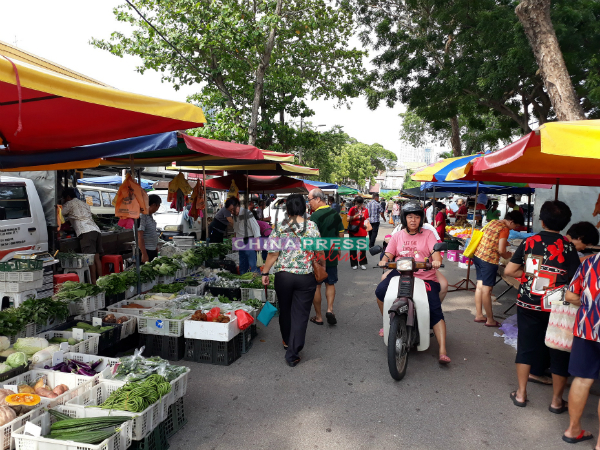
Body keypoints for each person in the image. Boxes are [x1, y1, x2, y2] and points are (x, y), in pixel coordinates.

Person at [504, 201, 581, 411]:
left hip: (528, 302)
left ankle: (520, 394)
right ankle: (556, 401)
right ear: (565, 224)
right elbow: (576, 280)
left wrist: (531, 276)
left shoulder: (530, 242)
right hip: (557, 306)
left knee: (526, 347)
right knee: (558, 351)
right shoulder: (568, 246)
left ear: (542, 220)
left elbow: (509, 271)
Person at [376, 201, 450, 364]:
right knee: (380, 291)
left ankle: (442, 350)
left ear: (421, 219)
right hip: (400, 273)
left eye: (417, 217)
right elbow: (388, 254)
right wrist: (384, 260)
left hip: (425, 276)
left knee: (435, 308)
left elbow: (436, 252)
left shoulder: (429, 235)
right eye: (410, 216)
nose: (413, 220)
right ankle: (388, 323)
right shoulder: (398, 235)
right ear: (404, 218)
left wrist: (436, 260)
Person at [262, 194, 325, 367]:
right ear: (304, 208)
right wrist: (322, 267)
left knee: (285, 310)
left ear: (287, 209)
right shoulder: (312, 226)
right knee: (301, 315)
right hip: (306, 277)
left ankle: (286, 341)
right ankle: (293, 353)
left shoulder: (280, 227)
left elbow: (273, 253)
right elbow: (319, 252)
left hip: (284, 277)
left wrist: (265, 273)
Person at [562, 253, 600, 445]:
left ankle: (573, 429)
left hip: (587, 328)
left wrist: (590, 305)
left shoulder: (591, 261)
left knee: (582, 379)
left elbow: (570, 295)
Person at [473, 210, 524, 327]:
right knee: (487, 290)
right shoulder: (504, 229)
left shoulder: (493, 222)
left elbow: (491, 238)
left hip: (478, 256)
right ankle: (490, 320)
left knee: (480, 287)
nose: (513, 229)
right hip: (488, 260)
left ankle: (479, 315)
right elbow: (501, 251)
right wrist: (510, 255)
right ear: (511, 222)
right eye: (515, 225)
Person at [307, 189, 345, 326]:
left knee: (317, 285)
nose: (309, 203)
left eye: (310, 199)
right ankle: (330, 309)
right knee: (330, 282)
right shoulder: (335, 214)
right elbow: (341, 233)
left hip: (317, 255)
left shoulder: (314, 217)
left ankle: (318, 317)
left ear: (318, 199)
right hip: (332, 252)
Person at [60, 188, 103, 284]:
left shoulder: (69, 204)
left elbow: (60, 214)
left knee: (89, 259)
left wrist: (59, 206)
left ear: (68, 197)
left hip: (86, 232)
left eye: (63, 198)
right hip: (96, 230)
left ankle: (94, 283)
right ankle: (101, 281)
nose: (63, 200)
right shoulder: (84, 203)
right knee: (96, 258)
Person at [232, 201, 261, 274]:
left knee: (253, 263)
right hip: (241, 241)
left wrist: (257, 243)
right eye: (230, 211)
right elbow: (236, 229)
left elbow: (256, 228)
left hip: (250, 240)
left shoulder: (247, 213)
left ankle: (255, 280)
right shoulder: (235, 216)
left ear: (237, 206)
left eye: (233, 210)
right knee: (243, 263)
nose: (232, 212)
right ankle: (243, 279)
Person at [138, 194, 162, 263]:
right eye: (158, 206)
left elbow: (151, 232)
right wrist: (144, 254)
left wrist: (155, 247)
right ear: (154, 205)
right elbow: (140, 236)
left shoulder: (149, 215)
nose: (157, 209)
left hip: (152, 250)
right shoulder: (142, 216)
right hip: (146, 251)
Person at [348, 196, 369, 270]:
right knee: (353, 248)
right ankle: (354, 263)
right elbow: (348, 219)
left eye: (360, 203)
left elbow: (367, 219)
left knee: (362, 249)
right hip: (353, 231)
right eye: (357, 203)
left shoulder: (365, 210)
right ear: (355, 202)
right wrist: (356, 216)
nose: (359, 205)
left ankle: (362, 263)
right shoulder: (352, 209)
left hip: (362, 231)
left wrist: (366, 223)